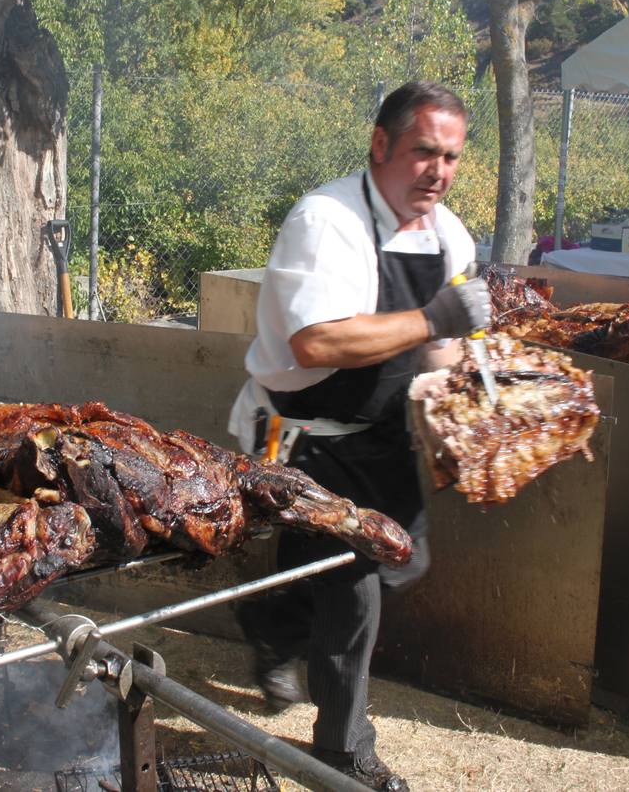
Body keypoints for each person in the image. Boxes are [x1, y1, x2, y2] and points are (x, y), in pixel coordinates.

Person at [227, 81, 492, 791]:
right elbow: (317, 342)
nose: (437, 171)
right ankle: (344, 755)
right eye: (422, 152)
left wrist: (472, 387)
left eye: (451, 157)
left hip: (382, 429)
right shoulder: (326, 221)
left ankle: (274, 621)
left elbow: (435, 349)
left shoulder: (449, 235)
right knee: (356, 589)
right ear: (380, 145)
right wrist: (437, 318)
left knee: (407, 563)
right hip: (303, 434)